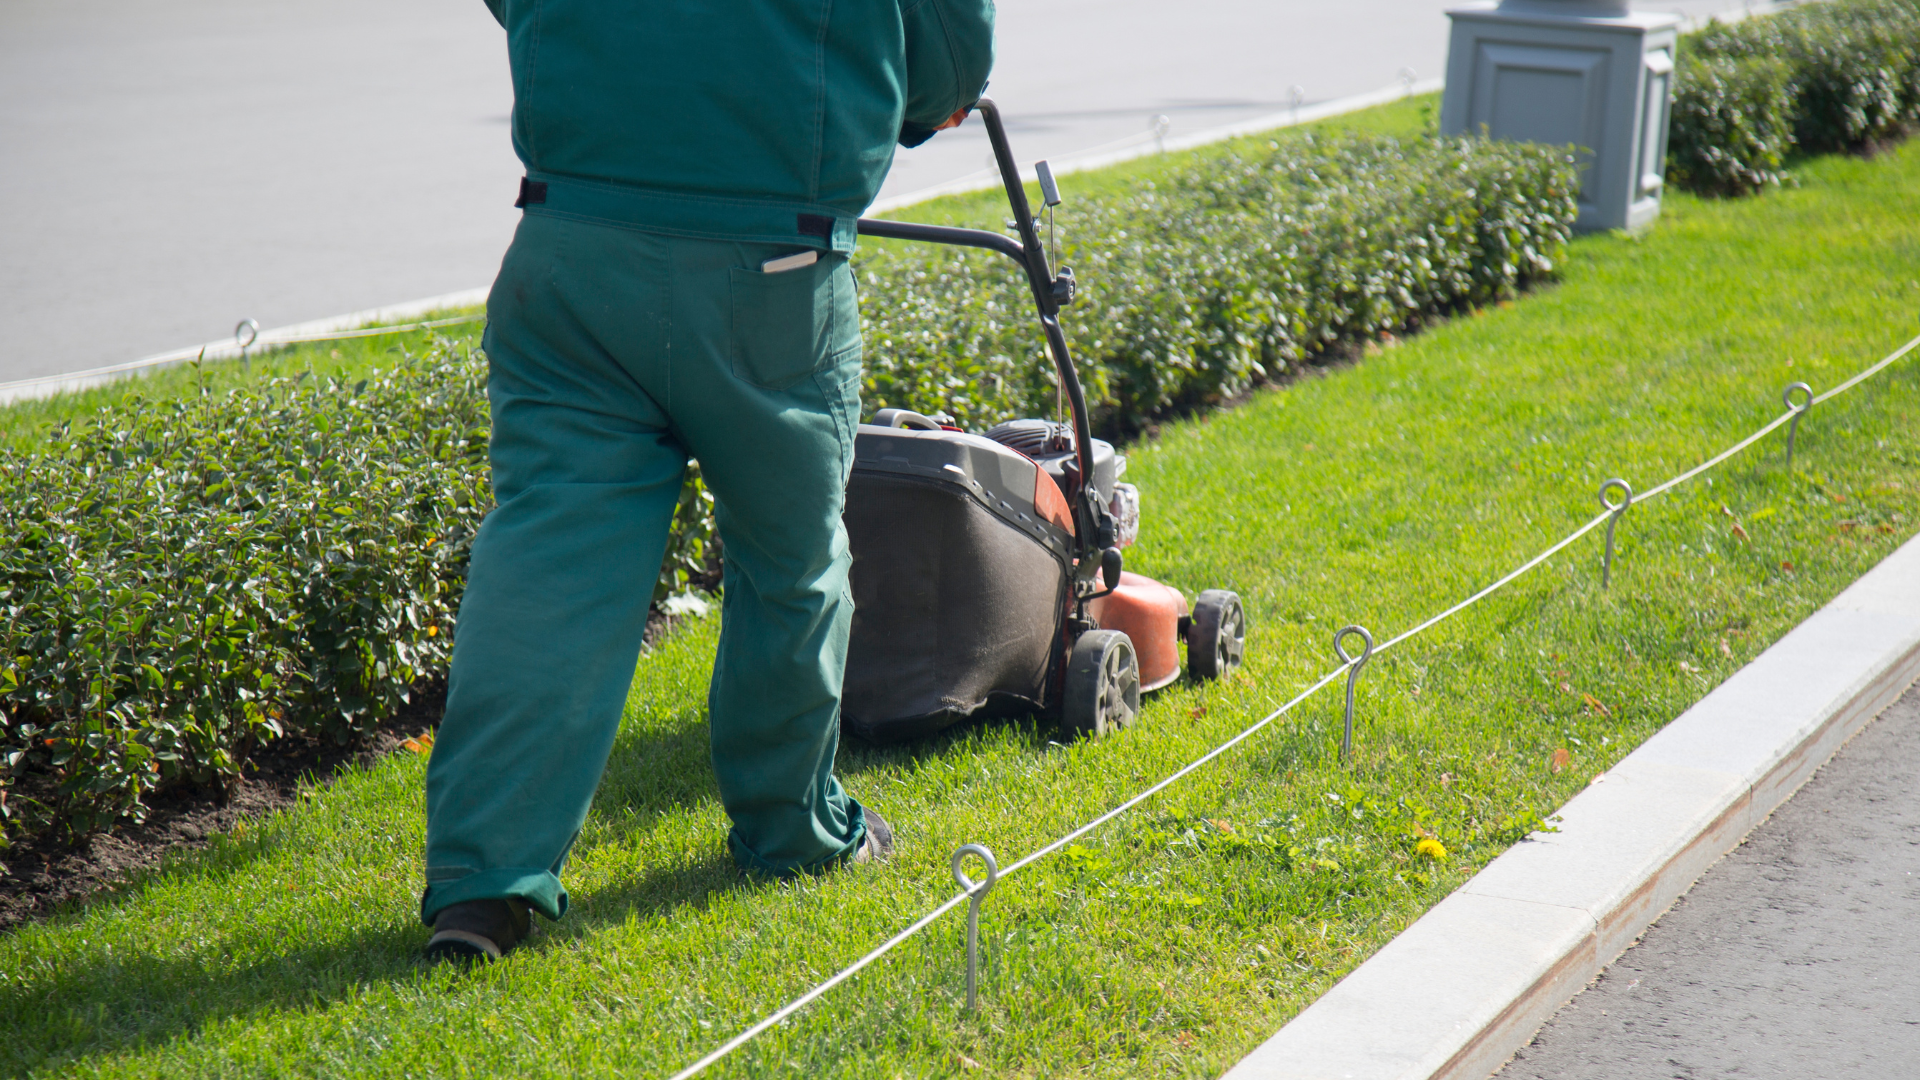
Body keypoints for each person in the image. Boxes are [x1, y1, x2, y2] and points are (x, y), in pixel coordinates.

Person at [418, 0, 996, 962]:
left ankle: (480, 886)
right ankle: (794, 833)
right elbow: (948, 61)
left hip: (572, 246)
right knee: (789, 562)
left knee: (547, 562)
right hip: (773, 261)